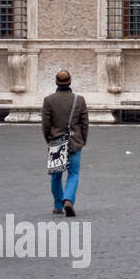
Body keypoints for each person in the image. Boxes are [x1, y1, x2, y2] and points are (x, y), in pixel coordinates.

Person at [41, 69, 89, 216]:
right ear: (70, 82)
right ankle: (68, 199)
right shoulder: (79, 100)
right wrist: (82, 140)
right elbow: (84, 123)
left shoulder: (49, 100)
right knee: (73, 173)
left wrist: (49, 140)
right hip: (75, 141)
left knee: (56, 175)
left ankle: (58, 204)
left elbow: (46, 124)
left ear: (56, 82)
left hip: (56, 141)